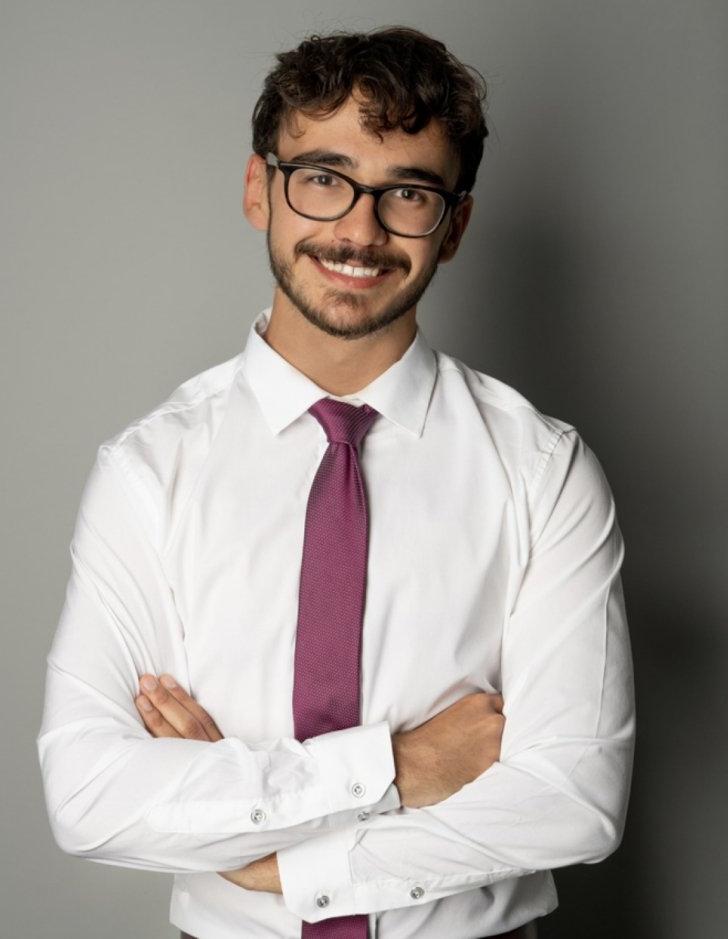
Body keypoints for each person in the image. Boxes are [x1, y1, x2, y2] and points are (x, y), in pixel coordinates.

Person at [36, 24, 635, 939]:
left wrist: (269, 858)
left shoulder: (543, 469)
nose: (358, 229)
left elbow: (573, 799)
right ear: (258, 190)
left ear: (456, 225)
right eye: (323, 178)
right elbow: (87, 790)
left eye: (407, 193)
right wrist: (396, 766)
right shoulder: (149, 472)